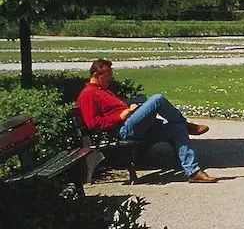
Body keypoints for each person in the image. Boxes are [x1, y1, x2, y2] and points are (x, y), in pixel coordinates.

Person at [76, 58, 217, 183]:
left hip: (131, 125)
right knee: (157, 99)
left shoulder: (102, 90)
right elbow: (92, 123)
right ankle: (186, 125)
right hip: (123, 130)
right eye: (107, 76)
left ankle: (193, 172)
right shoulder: (88, 94)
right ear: (96, 75)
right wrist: (119, 116)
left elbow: (112, 109)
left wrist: (130, 109)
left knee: (176, 128)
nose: (110, 79)